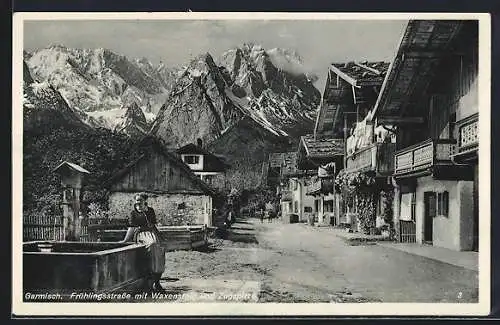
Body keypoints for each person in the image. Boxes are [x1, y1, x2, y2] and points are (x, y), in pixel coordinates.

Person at [121, 193, 166, 293]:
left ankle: (157, 281)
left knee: (160, 252)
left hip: (152, 233)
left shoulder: (150, 211)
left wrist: (160, 237)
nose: (138, 202)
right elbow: (131, 228)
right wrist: (125, 240)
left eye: (140, 200)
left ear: (145, 201)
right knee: (152, 246)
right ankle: (147, 282)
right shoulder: (133, 213)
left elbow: (153, 225)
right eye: (136, 200)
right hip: (142, 235)